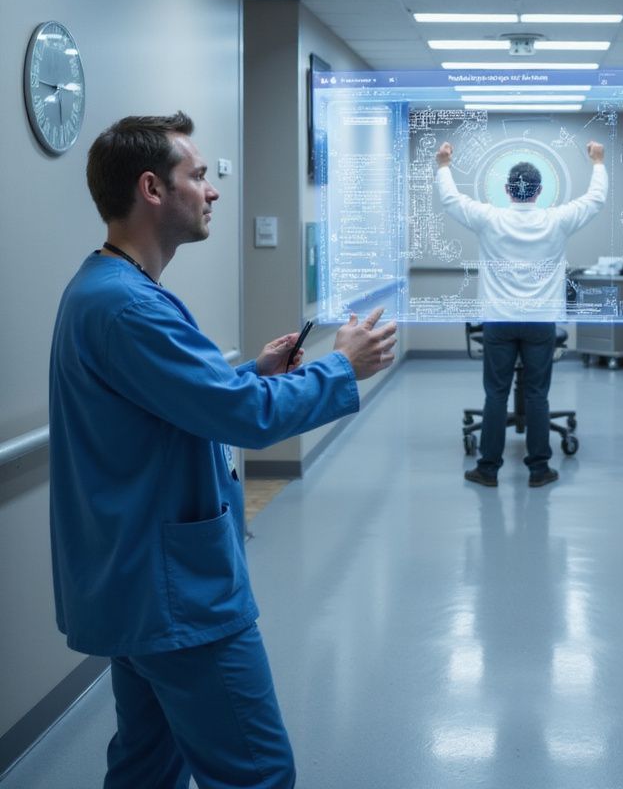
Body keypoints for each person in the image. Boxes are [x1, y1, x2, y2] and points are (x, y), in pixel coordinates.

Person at [49, 112, 397, 789]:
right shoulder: (129, 308)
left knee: (148, 765)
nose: (212, 190)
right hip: (175, 596)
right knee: (256, 773)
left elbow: (176, 406)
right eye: (199, 175)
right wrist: (339, 368)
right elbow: (246, 420)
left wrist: (252, 375)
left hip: (134, 581)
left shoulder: (107, 289)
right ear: (153, 188)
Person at [436, 140, 607, 487]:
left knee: (495, 393)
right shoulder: (556, 221)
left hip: (498, 321)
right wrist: (598, 162)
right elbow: (595, 200)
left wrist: (443, 165)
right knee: (537, 395)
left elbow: (452, 200)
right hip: (541, 322)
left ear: (506, 190)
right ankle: (539, 469)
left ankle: (487, 469)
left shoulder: (490, 219)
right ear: (539, 191)